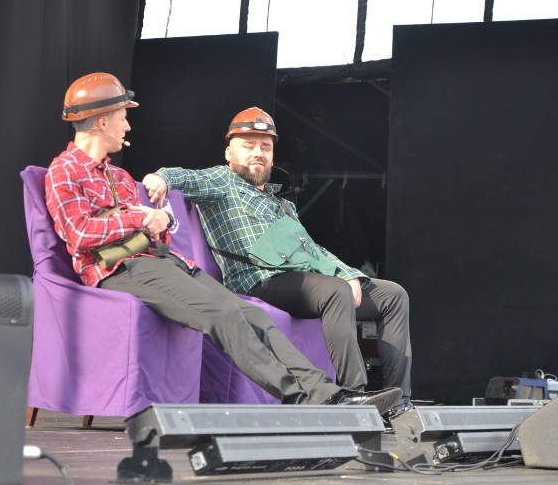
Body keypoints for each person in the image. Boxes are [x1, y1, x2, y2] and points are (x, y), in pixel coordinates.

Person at [46, 73, 402, 413]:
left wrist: (160, 221)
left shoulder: (119, 175)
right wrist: (141, 219)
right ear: (103, 122)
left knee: (253, 314)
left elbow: (155, 230)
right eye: (123, 117)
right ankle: (300, 399)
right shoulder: (64, 170)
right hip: (119, 267)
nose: (128, 126)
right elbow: (79, 234)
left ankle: (330, 396)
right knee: (224, 313)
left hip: (163, 260)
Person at [143, 106, 413, 416]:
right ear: (229, 152)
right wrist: (160, 178)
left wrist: (348, 273)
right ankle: (355, 397)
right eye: (249, 145)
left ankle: (399, 403)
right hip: (260, 281)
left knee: (393, 295)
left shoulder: (281, 203)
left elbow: (315, 252)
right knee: (335, 290)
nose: (258, 153)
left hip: (303, 281)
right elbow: (182, 177)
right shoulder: (222, 180)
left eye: (265, 147)